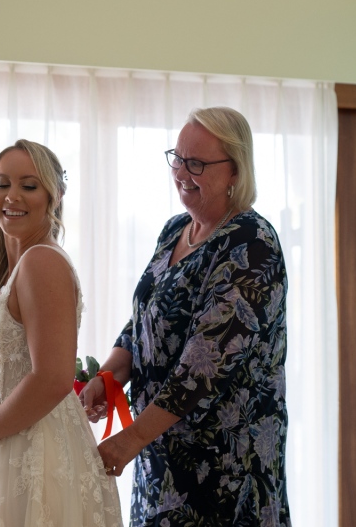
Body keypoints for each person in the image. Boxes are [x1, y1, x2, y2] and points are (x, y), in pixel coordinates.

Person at [80, 107, 291, 526]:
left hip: (224, 471)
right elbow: (143, 322)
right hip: (159, 462)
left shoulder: (252, 242)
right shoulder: (174, 229)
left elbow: (205, 364)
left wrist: (129, 440)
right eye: (177, 158)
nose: (181, 172)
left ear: (235, 171)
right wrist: (107, 379)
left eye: (196, 163)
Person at [0, 139, 122, 526]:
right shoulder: (12, 270)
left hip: (41, 460)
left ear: (54, 195)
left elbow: (52, 379)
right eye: (2, 183)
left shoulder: (42, 261)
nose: (12, 196)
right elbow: (18, 376)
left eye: (29, 185)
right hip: (14, 451)